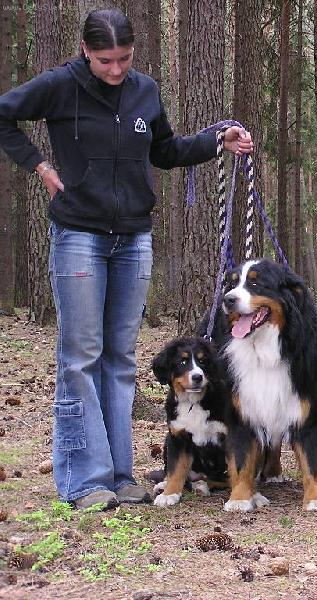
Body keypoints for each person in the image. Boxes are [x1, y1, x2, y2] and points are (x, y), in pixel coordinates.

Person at [0, 9, 253, 509]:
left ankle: (119, 476)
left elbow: (164, 150)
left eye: (124, 59)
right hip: (79, 235)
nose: (115, 70)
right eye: (104, 61)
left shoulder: (144, 91)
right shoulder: (58, 87)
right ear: (84, 51)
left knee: (120, 360)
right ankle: (85, 481)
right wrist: (39, 164)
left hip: (133, 237)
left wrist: (214, 141)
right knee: (80, 358)